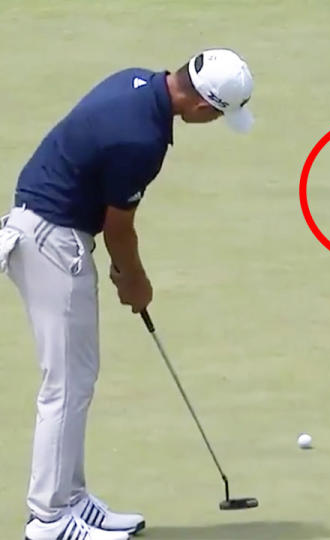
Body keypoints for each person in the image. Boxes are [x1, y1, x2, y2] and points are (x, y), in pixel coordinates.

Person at [0, 48, 254, 540]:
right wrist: (135, 281)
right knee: (66, 385)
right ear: (203, 108)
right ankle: (49, 518)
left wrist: (123, 271)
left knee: (77, 378)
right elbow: (120, 229)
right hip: (51, 241)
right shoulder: (143, 140)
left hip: (42, 227)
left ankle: (70, 499)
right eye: (220, 115)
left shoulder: (134, 80)